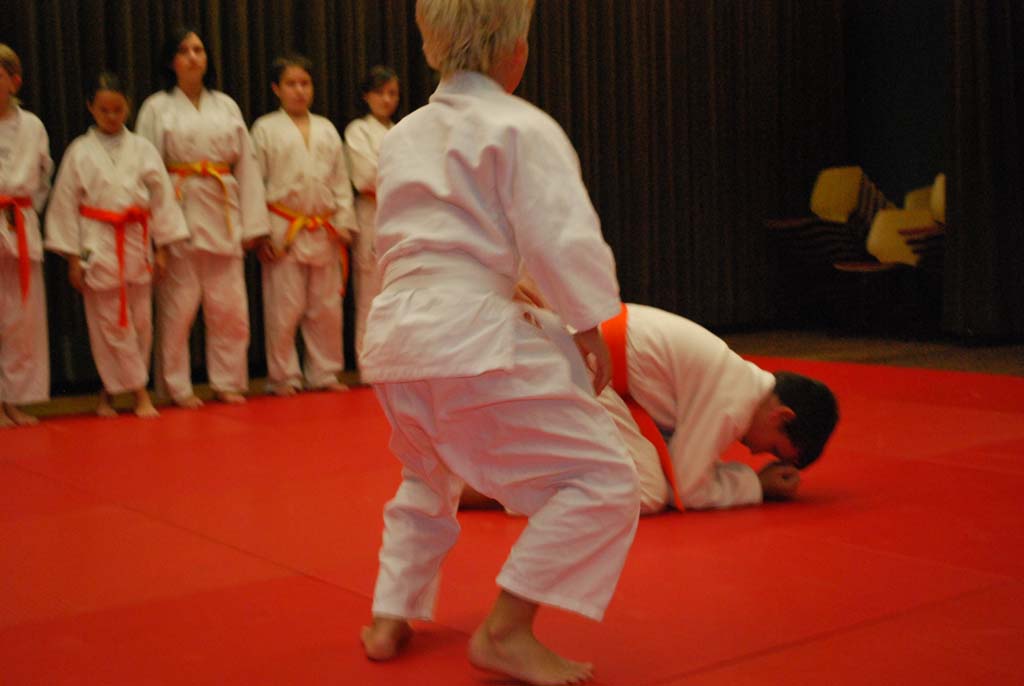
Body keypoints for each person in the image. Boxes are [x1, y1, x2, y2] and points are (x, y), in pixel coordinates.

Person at [359, 1, 640, 684]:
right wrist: (587, 322)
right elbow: (559, 235)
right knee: (604, 478)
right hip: (467, 333)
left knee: (426, 473)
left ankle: (391, 613)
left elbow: (396, 240)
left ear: (432, 44)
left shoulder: (402, 135)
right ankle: (507, 630)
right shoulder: (522, 126)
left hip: (394, 334)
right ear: (516, 50)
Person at [464, 303, 840, 515]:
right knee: (645, 490)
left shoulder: (734, 380)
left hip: (563, 354)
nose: (757, 453)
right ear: (781, 416)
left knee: (639, 471)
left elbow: (679, 464)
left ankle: (489, 471)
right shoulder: (734, 401)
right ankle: (485, 489)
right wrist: (755, 484)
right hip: (568, 360)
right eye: (773, 447)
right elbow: (688, 490)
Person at [135, 27, 270, 408]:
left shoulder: (226, 106)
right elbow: (145, 170)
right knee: (178, 310)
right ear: (171, 61)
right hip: (178, 213)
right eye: (184, 51)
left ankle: (228, 381)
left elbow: (247, 167)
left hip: (223, 213)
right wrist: (159, 233)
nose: (193, 56)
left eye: (198, 49)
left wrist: (254, 225)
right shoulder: (156, 108)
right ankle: (175, 386)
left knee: (230, 309)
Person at [45, 71, 188, 418]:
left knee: (141, 325)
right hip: (97, 243)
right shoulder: (79, 152)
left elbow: (162, 200)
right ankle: (139, 394)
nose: (111, 116)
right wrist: (72, 259)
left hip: (136, 241)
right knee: (109, 325)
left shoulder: (143, 149)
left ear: (128, 107)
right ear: (90, 108)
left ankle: (108, 394)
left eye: (118, 110)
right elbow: (64, 206)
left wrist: (163, 248)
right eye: (104, 110)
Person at [251, 54, 357, 395]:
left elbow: (340, 180)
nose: (299, 90)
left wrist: (345, 221)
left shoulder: (326, 128)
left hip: (324, 227)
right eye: (291, 84)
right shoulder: (265, 128)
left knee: (326, 308)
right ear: (276, 88)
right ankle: (283, 376)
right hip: (284, 228)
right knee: (284, 308)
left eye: (305, 83)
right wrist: (261, 233)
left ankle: (324, 373)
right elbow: (254, 183)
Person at [0, 44, 52, 428]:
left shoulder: (33, 126)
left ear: (14, 81)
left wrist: (22, 212)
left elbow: (44, 177)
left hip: (19, 222)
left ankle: (14, 400)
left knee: (21, 319)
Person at [343, 65, 399, 364]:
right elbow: (365, 176)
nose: (387, 99)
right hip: (372, 214)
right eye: (380, 93)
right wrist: (400, 177)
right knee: (369, 295)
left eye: (392, 93)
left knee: (399, 293)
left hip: (401, 218)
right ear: (366, 96)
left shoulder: (403, 131)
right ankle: (369, 363)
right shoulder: (358, 131)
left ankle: (397, 361)